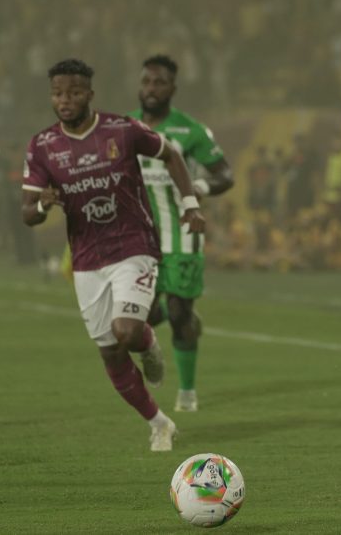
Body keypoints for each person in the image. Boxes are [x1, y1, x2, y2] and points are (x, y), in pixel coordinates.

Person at [22, 58, 205, 452]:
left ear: (89, 94)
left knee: (127, 331)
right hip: (87, 258)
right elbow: (28, 213)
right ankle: (159, 423)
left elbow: (171, 154)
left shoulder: (122, 129)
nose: (65, 100)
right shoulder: (42, 146)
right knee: (110, 352)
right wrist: (42, 205)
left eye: (73, 93)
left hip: (133, 245)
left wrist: (190, 203)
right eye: (58, 94)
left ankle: (146, 341)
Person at [128, 54, 234, 412]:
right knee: (137, 317)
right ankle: (177, 315)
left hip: (182, 234)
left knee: (178, 312)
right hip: (139, 239)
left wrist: (199, 188)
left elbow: (225, 174)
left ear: (173, 88)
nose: (152, 88)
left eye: (159, 82)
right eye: (146, 81)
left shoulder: (191, 131)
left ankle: (187, 392)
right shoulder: (126, 128)